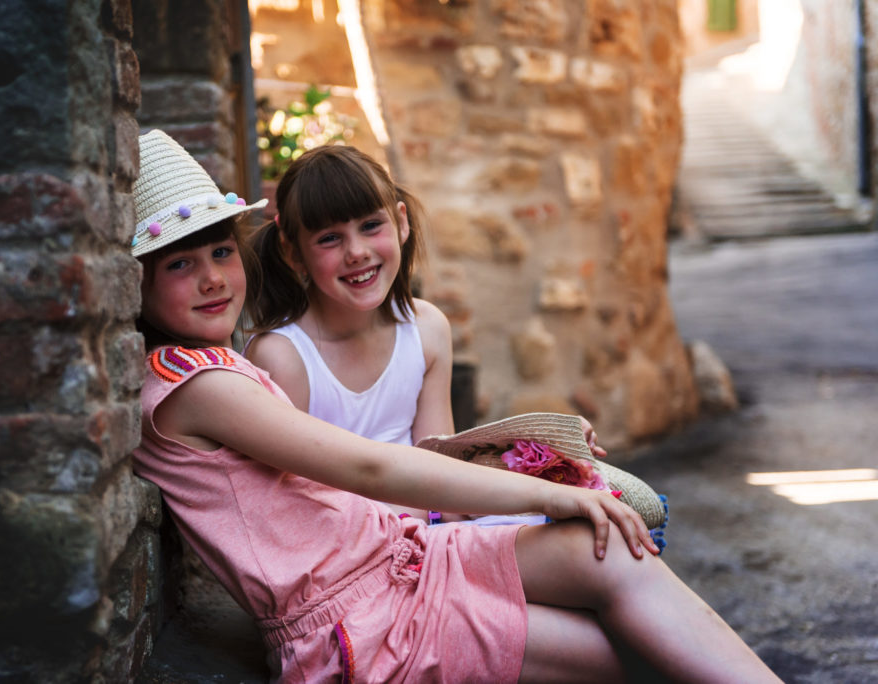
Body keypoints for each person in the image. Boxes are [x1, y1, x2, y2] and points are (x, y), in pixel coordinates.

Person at [129, 128, 781, 683]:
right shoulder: (199, 386)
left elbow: (421, 460)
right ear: (136, 282)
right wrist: (549, 495)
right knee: (636, 653)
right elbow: (368, 468)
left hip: (402, 555)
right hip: (362, 618)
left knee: (613, 555)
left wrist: (532, 457)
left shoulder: (217, 366)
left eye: (221, 253)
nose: (212, 277)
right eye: (180, 265)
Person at [244, 144, 606, 524]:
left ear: (401, 222)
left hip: (431, 530)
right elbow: (295, 506)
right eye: (329, 238)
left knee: (589, 530)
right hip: (346, 543)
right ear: (293, 253)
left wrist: (544, 452)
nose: (356, 252)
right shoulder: (283, 356)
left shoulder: (426, 329)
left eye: (370, 226)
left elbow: (441, 470)